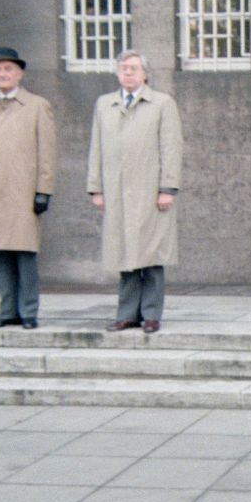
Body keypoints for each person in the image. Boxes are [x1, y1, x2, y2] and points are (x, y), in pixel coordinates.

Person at [87, 50, 182, 334]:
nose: (128, 73)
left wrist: (167, 187)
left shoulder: (162, 103)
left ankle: (151, 313)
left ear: (145, 74)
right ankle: (127, 313)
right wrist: (96, 188)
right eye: (123, 68)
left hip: (149, 190)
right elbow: (97, 148)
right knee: (124, 253)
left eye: (133, 68)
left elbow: (171, 147)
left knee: (151, 254)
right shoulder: (105, 104)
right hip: (117, 191)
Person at [0, 47, 57, 330]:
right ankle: (7, 311)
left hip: (22, 192)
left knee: (24, 253)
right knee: (0, 253)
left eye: (8, 69)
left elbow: (47, 151)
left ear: (20, 73)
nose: (2, 74)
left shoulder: (37, 105)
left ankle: (28, 311)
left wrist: (44, 189)